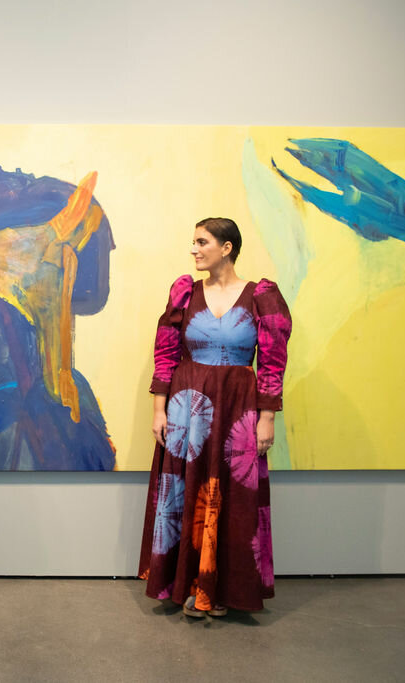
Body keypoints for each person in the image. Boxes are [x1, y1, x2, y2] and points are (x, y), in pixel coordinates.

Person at [138, 217, 291, 618]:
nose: (194, 250)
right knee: (189, 492)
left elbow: (273, 364)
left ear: (226, 248)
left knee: (233, 496)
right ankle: (188, 584)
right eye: (193, 242)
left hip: (237, 409)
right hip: (187, 408)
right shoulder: (185, 293)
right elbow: (166, 353)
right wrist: (159, 410)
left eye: (201, 242)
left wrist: (267, 417)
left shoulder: (262, 296)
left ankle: (221, 589)